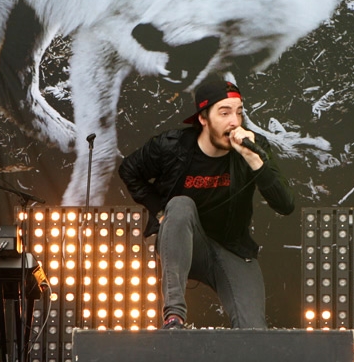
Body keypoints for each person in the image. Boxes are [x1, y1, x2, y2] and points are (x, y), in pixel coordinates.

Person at [118, 78, 295, 329]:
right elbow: (129, 170)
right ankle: (174, 318)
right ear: (203, 118)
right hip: (185, 239)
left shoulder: (254, 149)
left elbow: (286, 205)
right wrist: (158, 208)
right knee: (180, 205)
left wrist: (253, 160)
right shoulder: (172, 146)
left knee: (254, 332)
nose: (234, 121)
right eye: (224, 113)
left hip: (231, 247)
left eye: (239, 112)